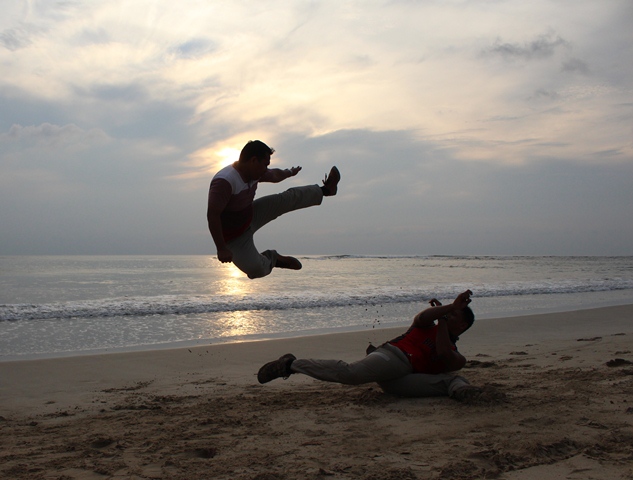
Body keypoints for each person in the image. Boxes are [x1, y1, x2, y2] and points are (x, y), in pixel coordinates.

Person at [257, 290, 484, 400]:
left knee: (453, 380)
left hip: (399, 382)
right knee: (351, 373)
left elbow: (444, 352)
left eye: (454, 315)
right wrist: (445, 312)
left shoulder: (457, 357)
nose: (448, 315)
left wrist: (444, 317)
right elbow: (424, 316)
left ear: (463, 326)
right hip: (393, 357)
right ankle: (291, 365)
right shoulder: (427, 327)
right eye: (448, 312)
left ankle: (465, 394)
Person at [207, 140, 340, 279]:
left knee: (286, 199)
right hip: (233, 237)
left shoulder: (255, 171)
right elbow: (213, 215)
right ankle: (273, 259)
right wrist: (221, 248)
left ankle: (326, 190)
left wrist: (289, 172)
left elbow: (275, 175)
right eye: (265, 164)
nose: (266, 169)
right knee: (256, 269)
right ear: (253, 160)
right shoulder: (224, 182)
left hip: (251, 215)